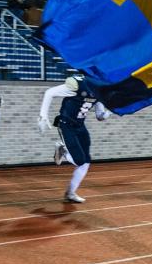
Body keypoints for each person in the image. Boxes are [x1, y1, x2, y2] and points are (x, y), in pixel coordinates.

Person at [38, 75, 111, 203]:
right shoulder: (79, 84)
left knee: (86, 162)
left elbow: (100, 116)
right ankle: (62, 150)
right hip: (66, 124)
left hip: (80, 126)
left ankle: (70, 193)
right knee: (79, 161)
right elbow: (49, 93)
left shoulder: (100, 91)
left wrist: (110, 111)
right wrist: (43, 116)